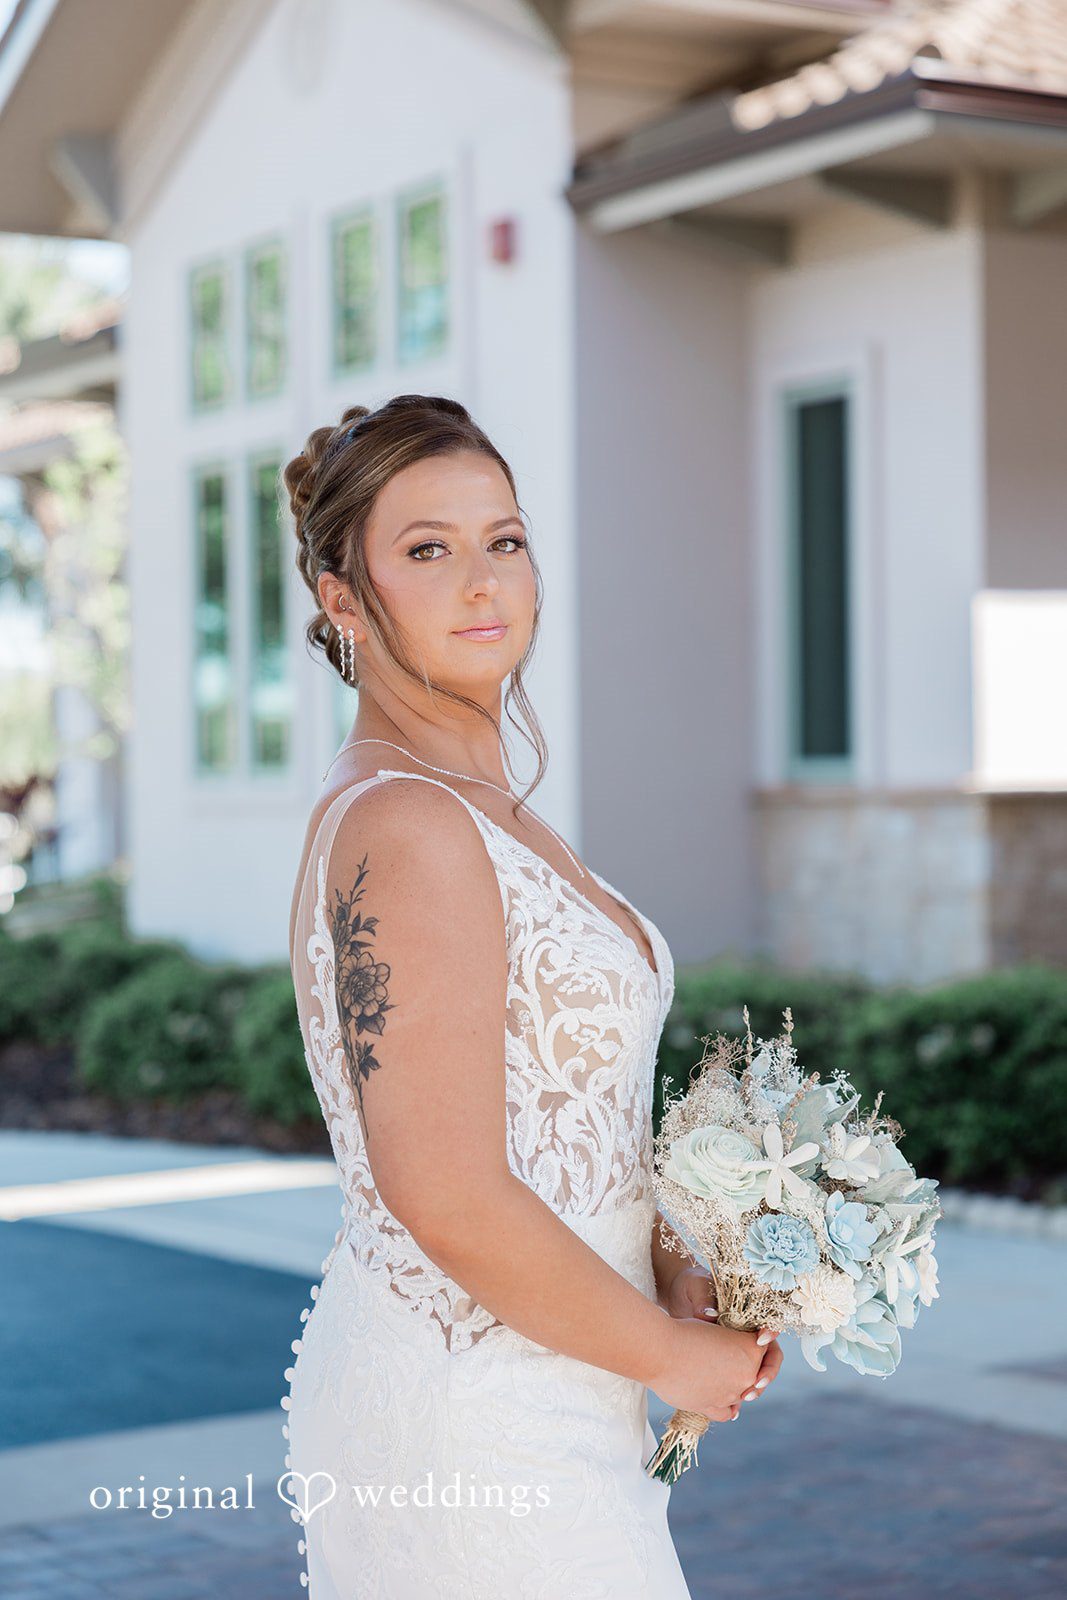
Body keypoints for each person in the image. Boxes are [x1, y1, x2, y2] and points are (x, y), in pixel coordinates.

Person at [281, 394, 783, 1598]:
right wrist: (676, 1354)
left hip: (562, 1375)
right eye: (425, 549)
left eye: (501, 539)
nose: (479, 580)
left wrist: (684, 1245)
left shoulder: (477, 809)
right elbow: (442, 1188)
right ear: (342, 597)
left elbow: (563, 1114)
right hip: (478, 1411)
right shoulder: (407, 823)